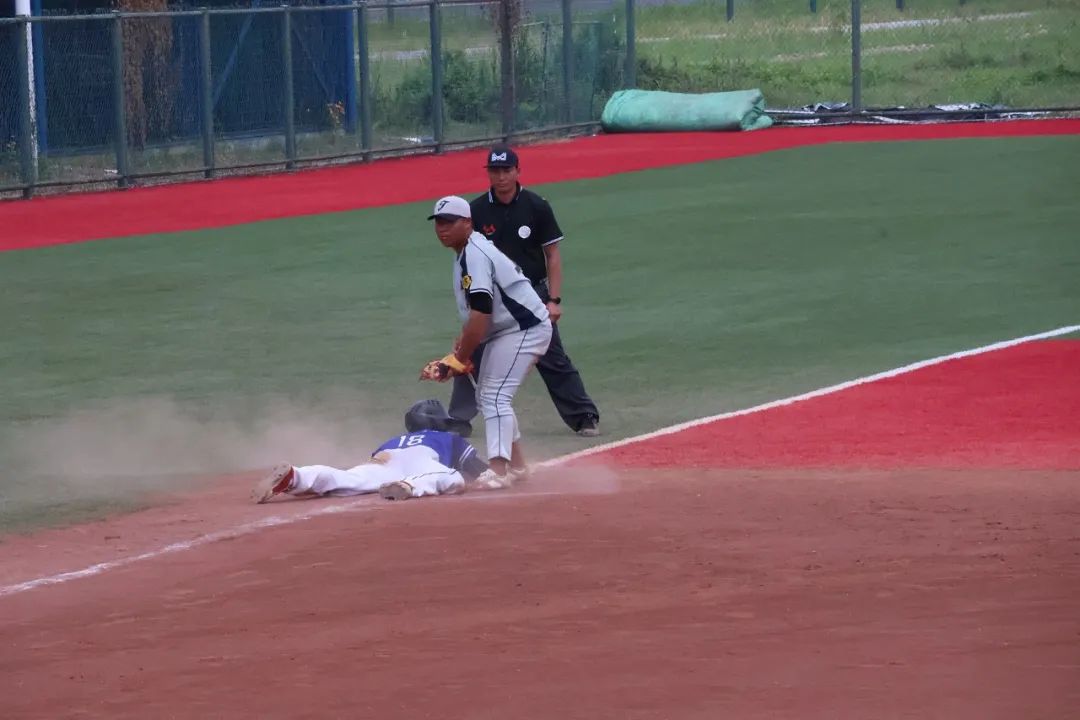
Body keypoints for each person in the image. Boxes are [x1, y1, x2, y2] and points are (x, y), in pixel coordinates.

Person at [448, 144, 601, 437]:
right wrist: (468, 317)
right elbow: (466, 261)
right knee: (471, 351)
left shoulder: (536, 206)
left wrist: (553, 300)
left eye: (506, 170)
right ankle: (458, 419)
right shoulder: (475, 211)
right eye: (495, 171)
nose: (501, 177)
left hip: (532, 296)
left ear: (518, 171)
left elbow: (552, 255)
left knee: (552, 356)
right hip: (491, 298)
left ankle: (583, 417)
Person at [421, 194, 553, 488]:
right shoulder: (467, 251)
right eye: (439, 223)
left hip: (524, 328)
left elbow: (482, 312)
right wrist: (462, 346)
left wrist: (458, 360)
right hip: (507, 330)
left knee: (495, 396)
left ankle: (498, 470)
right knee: (489, 396)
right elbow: (475, 313)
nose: (442, 229)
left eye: (450, 222)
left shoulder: (475, 255)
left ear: (467, 223)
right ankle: (517, 467)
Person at [251, 399, 498, 503]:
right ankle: (409, 486)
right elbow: (482, 472)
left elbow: (372, 462)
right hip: (422, 460)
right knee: (451, 477)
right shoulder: (446, 437)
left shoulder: (394, 440)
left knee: (348, 479)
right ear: (437, 422)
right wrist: (499, 476)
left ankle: (297, 476)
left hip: (384, 459)